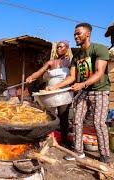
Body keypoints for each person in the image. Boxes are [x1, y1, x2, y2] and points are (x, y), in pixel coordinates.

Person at [47, 23, 111, 163]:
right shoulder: (77, 56)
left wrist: (82, 84)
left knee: (98, 123)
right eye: (74, 34)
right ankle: (78, 151)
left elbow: (99, 72)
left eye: (78, 33)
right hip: (84, 91)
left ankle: (105, 155)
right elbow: (71, 77)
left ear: (87, 34)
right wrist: (55, 87)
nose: (75, 36)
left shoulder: (99, 49)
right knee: (76, 121)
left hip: (99, 91)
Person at [26, 41, 72, 147]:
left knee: (63, 116)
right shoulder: (51, 62)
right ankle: (45, 138)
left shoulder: (70, 62)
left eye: (61, 47)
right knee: (48, 116)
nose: (59, 49)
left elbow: (73, 76)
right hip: (50, 93)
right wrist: (31, 77)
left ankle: (64, 141)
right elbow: (40, 71)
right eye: (58, 47)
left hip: (63, 92)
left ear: (67, 48)